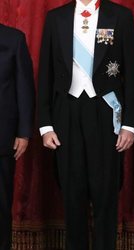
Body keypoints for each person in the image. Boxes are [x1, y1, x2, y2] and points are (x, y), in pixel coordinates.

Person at [38, 0, 134, 249]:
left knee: (105, 191)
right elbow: (45, 73)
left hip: (105, 111)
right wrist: (45, 125)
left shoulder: (121, 16)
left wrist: (129, 124)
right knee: (72, 193)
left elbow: (133, 74)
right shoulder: (56, 17)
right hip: (66, 112)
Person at [0, 24, 35, 250]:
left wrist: (24, 131)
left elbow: (24, 86)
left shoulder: (13, 38)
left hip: (2, 138)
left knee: (1, 205)